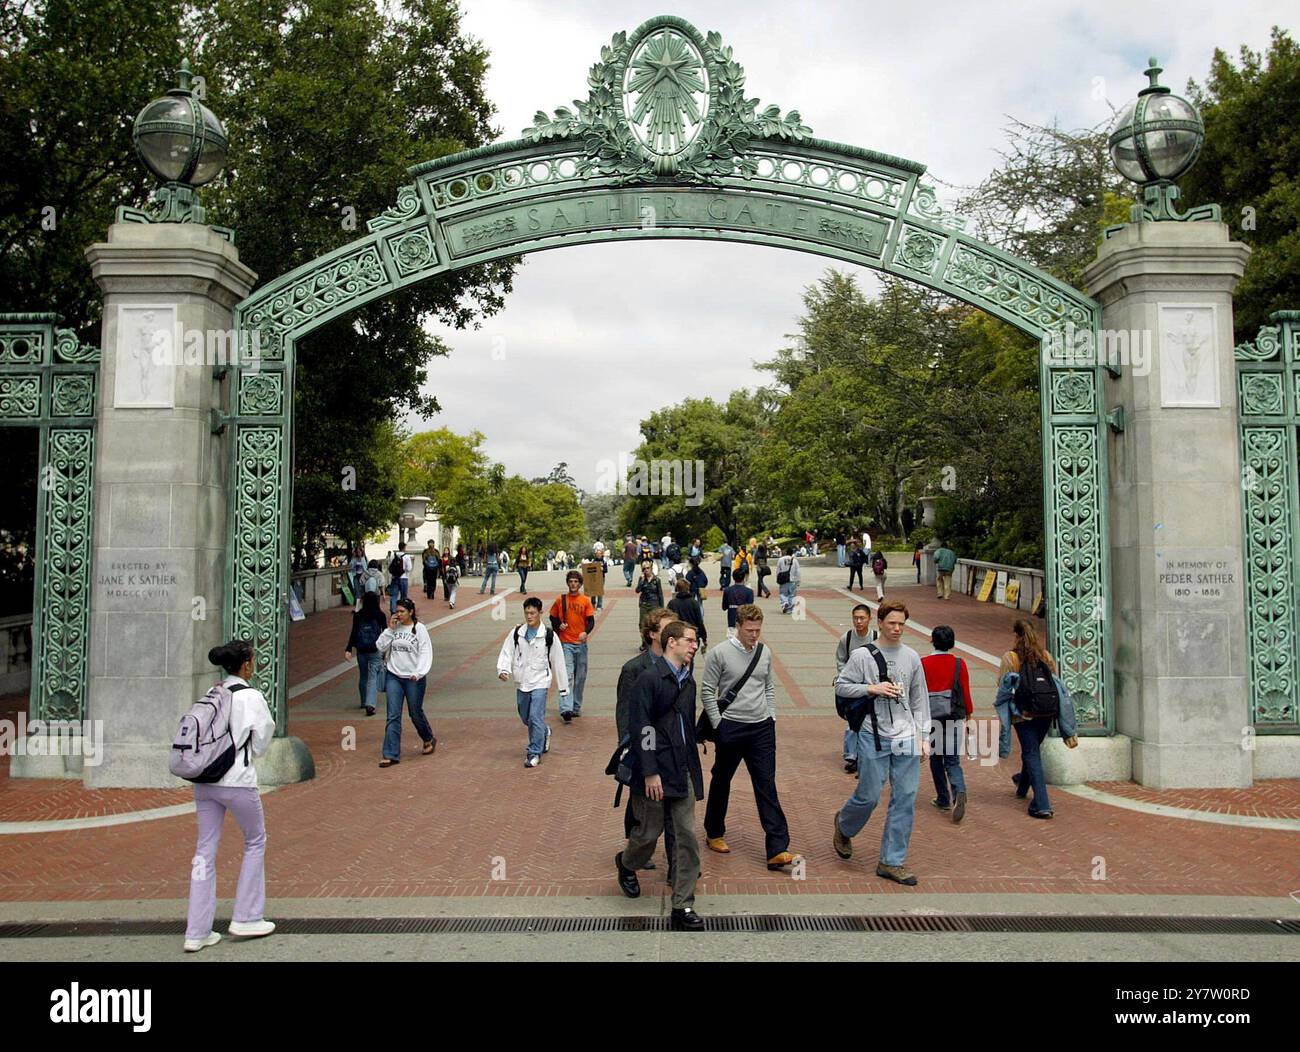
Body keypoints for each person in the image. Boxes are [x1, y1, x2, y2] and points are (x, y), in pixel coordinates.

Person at [183, 639, 277, 952]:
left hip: (205, 781)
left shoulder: (213, 693)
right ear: (246, 664)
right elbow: (262, 742)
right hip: (237, 781)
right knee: (255, 840)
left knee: (204, 850)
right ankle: (247, 916)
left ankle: (196, 931)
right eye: (253, 659)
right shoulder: (251, 696)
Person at [614, 621, 705, 931]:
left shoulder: (688, 681)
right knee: (647, 835)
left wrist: (694, 766)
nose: (695, 646)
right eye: (690, 641)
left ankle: (683, 905)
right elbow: (644, 728)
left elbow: (686, 728)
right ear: (671, 644)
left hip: (681, 772)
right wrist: (651, 773)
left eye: (695, 641)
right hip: (653, 773)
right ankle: (626, 864)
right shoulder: (649, 680)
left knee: (686, 838)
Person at [831, 600, 929, 886]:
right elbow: (841, 685)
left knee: (906, 798)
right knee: (870, 795)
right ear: (881, 623)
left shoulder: (912, 657)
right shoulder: (862, 655)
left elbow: (919, 699)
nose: (897, 629)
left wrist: (923, 737)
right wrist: (870, 688)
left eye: (901, 624)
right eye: (892, 623)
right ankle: (845, 824)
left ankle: (891, 861)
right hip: (872, 733)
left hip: (906, 735)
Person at [700, 604, 797, 870]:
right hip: (730, 726)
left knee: (766, 784)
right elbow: (707, 691)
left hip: (762, 728)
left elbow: (768, 686)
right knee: (722, 780)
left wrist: (771, 715)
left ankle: (777, 848)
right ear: (738, 627)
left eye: (758, 630)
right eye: (750, 630)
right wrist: (719, 725)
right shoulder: (719, 653)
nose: (755, 635)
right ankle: (714, 831)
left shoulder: (765, 652)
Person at [997, 619, 1078, 818]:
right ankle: (1022, 785)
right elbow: (1055, 682)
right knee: (1032, 749)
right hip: (1046, 713)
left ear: (1016, 635)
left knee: (1032, 753)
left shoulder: (1011, 658)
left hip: (1022, 714)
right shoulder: (1046, 656)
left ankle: (1041, 804)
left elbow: (1002, 685)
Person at [497, 596, 569, 767]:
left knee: (535, 716)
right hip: (522, 682)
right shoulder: (517, 633)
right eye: (527, 613)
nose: (529, 616)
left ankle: (534, 753)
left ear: (540, 613)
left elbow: (558, 661)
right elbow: (507, 651)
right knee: (525, 717)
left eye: (533, 613)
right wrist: (503, 669)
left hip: (540, 681)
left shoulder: (549, 636)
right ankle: (545, 731)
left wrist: (563, 689)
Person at [921, 625, 974, 823]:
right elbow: (965, 692)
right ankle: (959, 790)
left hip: (932, 717)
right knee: (952, 760)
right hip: (953, 716)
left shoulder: (923, 663)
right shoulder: (959, 664)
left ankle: (943, 798)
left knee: (936, 759)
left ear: (932, 640)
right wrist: (969, 716)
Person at [375, 598, 435, 767]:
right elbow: (380, 646)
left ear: (411, 612)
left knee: (415, 712)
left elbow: (425, 652)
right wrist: (390, 629)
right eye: (397, 611)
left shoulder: (420, 629)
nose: (398, 614)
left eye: (402, 611)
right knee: (393, 715)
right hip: (394, 676)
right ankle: (390, 753)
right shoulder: (393, 628)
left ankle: (428, 737)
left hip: (413, 678)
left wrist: (419, 672)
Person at [835, 604, 877, 774]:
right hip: (853, 688)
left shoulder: (876, 636)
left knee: (867, 722)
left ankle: (862, 756)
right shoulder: (847, 637)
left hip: (871, 688)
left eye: (862, 618)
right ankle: (852, 756)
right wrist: (846, 678)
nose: (858, 621)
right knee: (853, 719)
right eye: (855, 618)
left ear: (869, 619)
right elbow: (840, 660)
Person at [549, 570, 595, 723]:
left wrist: (585, 632)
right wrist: (559, 625)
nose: (573, 584)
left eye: (576, 582)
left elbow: (590, 621)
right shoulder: (560, 600)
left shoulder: (585, 601)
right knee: (567, 675)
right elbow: (552, 617)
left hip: (581, 644)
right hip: (566, 643)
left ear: (580, 584)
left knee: (580, 677)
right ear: (567, 583)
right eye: (571, 581)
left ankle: (576, 706)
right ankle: (566, 708)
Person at [344, 591, 388, 716]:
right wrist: (386, 650)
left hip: (361, 649)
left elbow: (354, 633)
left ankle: (364, 701)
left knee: (363, 675)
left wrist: (348, 649)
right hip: (375, 649)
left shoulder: (358, 615)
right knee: (373, 676)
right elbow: (385, 633)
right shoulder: (380, 615)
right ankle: (370, 704)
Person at [668, 577, 708, 650]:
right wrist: (704, 637)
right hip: (692, 635)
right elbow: (699, 621)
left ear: (677, 589)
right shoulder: (694, 603)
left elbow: (669, 621)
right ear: (688, 589)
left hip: (678, 636)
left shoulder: (672, 603)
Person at [721, 566, 754, 638]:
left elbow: (724, 607)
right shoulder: (749, 591)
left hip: (732, 621)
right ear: (744, 578)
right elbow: (750, 608)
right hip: (744, 621)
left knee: (731, 642)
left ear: (733, 578)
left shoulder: (728, 590)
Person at [635, 560, 665, 639]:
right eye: (644, 569)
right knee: (642, 624)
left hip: (654, 603)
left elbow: (660, 594)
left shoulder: (656, 580)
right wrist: (641, 581)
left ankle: (653, 641)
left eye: (648, 568)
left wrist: (662, 607)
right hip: (644, 603)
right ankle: (644, 642)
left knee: (653, 623)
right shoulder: (641, 579)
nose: (646, 570)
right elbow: (637, 591)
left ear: (651, 568)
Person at [387, 543, 412, 614]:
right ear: (404, 548)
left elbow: (389, 566)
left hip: (394, 578)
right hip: (403, 578)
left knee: (394, 596)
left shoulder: (393, 556)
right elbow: (409, 568)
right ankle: (402, 611)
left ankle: (393, 611)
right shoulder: (406, 556)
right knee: (403, 596)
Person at [776, 546, 801, 614]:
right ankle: (790, 609)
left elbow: (778, 570)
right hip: (792, 580)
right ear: (792, 553)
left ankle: (785, 603)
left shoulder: (780, 559)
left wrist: (777, 579)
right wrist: (798, 581)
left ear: (786, 552)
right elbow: (798, 571)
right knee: (792, 595)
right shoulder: (795, 560)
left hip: (783, 580)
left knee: (783, 593)